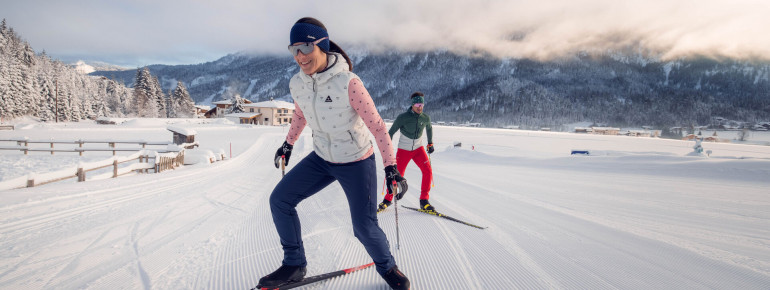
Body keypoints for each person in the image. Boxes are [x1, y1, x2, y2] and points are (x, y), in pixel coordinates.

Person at [256, 17, 410, 290]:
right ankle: (294, 265)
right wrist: (288, 144)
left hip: (355, 160)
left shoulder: (348, 83)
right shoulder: (298, 83)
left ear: (321, 45)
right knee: (280, 199)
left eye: (304, 48)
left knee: (363, 226)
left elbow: (377, 127)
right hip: (322, 158)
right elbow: (300, 115)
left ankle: (388, 268)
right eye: (293, 50)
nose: (299, 57)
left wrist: (390, 167)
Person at [379, 92, 435, 212]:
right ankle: (387, 200)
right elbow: (391, 132)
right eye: (418, 104)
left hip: (418, 150)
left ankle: (424, 200)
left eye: (422, 104)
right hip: (403, 150)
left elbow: (429, 128)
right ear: (413, 105)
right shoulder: (403, 118)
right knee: (396, 175)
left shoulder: (425, 118)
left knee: (428, 171)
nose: (420, 107)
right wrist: (387, 149)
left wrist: (430, 143)